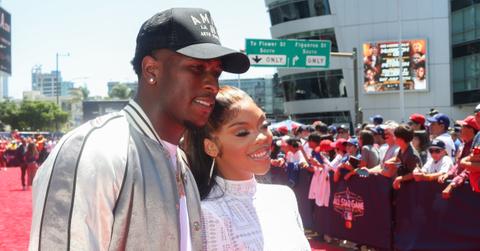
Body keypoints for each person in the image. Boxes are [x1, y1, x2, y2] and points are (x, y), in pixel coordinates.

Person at [29, 8, 250, 250]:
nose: (212, 85)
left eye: (216, 73)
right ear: (151, 71)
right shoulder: (96, 150)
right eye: (197, 69)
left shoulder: (179, 161)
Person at [183, 86, 310, 250]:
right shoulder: (206, 213)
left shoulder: (284, 196)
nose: (263, 137)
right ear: (211, 147)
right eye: (242, 132)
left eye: (264, 125)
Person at [382, 124, 422, 189]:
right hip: (404, 186)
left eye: (396, 137)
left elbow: (414, 173)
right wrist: (388, 161)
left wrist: (400, 178)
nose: (394, 139)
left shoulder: (412, 155)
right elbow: (398, 159)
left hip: (412, 189)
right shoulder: (402, 148)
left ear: (402, 139)